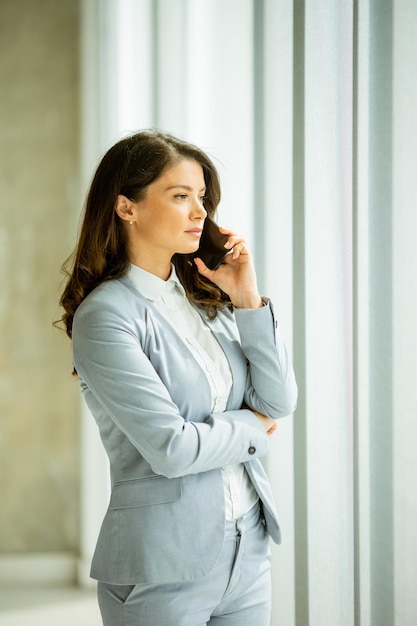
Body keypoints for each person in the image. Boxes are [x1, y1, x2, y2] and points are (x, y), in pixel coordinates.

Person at [57, 129, 297, 626]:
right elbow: (171, 448)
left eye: (202, 198)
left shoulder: (204, 298)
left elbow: (278, 399)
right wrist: (252, 428)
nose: (199, 213)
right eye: (180, 196)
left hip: (247, 549)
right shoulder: (106, 316)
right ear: (128, 207)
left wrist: (248, 301)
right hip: (161, 563)